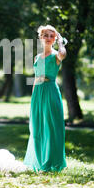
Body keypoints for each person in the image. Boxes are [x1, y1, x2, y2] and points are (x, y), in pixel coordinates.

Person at [23, 25, 67, 172]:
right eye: (45, 35)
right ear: (40, 38)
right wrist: (33, 98)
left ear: (54, 39)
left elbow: (63, 53)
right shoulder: (37, 57)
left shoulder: (56, 55)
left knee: (51, 127)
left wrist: (61, 41)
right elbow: (36, 78)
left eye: (51, 36)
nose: (48, 38)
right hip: (38, 93)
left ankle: (52, 162)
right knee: (36, 128)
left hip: (50, 91)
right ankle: (38, 161)